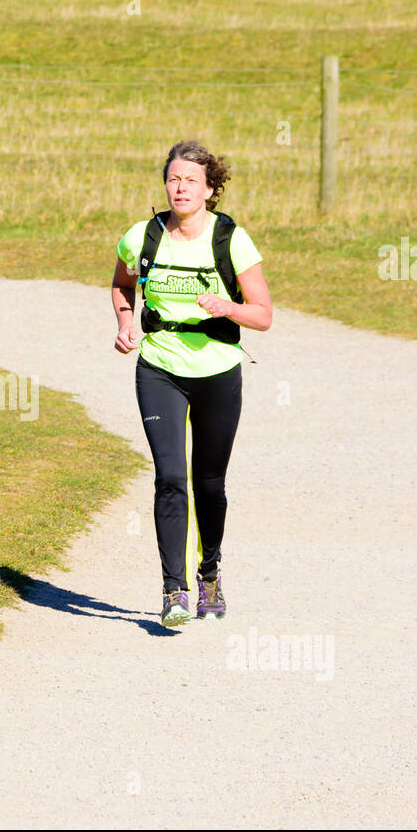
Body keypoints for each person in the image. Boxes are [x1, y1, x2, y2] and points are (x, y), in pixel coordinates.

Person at [111, 141, 273, 627]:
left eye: (190, 181)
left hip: (218, 373)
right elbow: (122, 284)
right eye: (173, 179)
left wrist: (229, 308)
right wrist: (124, 322)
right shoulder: (142, 237)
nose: (180, 188)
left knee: (210, 482)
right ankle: (173, 591)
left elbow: (263, 315)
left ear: (208, 189)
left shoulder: (231, 240)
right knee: (170, 478)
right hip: (159, 367)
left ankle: (209, 574)